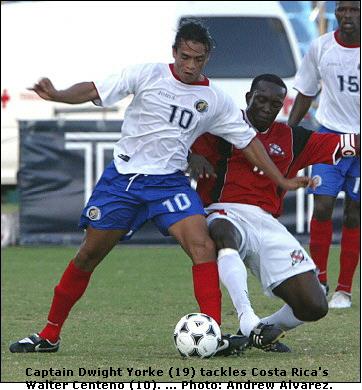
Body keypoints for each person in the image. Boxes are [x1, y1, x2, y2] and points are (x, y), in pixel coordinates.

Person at [9, 21, 311, 355]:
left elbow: (249, 141)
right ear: (175, 52)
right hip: (123, 181)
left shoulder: (213, 99)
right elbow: (96, 89)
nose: (190, 65)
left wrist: (281, 180)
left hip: (169, 184)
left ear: (206, 58)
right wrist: (59, 95)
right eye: (185, 57)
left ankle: (212, 334)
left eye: (198, 59)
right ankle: (49, 334)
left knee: (202, 246)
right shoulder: (147, 74)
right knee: (88, 255)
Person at [189, 74, 359, 352]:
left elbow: (349, 143)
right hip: (223, 210)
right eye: (261, 100)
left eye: (275, 103)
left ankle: (263, 331)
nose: (267, 107)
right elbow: (174, 141)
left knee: (314, 305)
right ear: (248, 99)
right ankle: (247, 318)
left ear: (283, 106)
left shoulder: (293, 138)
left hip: (267, 223)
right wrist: (190, 156)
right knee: (222, 229)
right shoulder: (220, 128)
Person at [288, 1, 360, 309]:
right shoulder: (321, 48)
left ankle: (344, 290)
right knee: (322, 207)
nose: (346, 15)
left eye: (354, 9)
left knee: (355, 214)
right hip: (328, 137)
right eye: (341, 9)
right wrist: (288, 133)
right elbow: (305, 92)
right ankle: (319, 280)